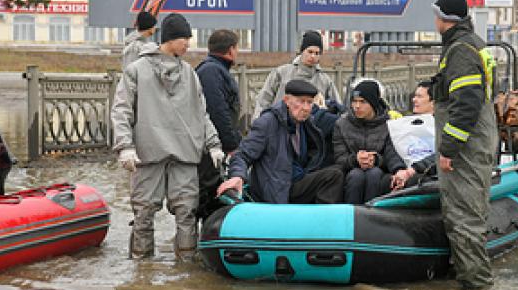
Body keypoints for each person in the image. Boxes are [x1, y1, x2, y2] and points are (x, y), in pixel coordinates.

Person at [111, 13, 224, 260]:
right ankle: (141, 269)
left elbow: (201, 112)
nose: (188, 43)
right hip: (147, 154)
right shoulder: (136, 70)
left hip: (184, 154)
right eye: (184, 38)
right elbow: (121, 110)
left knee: (187, 213)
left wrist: (213, 144)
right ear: (169, 38)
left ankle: (186, 268)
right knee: (143, 212)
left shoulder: (189, 74)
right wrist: (125, 147)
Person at [431, 0, 498, 290]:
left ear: (445, 19)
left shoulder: (460, 50)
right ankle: (471, 281)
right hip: (478, 144)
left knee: (464, 219)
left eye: (436, 15)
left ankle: (477, 288)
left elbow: (467, 102)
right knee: (469, 215)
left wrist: (448, 149)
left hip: (466, 151)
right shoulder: (473, 45)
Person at [218, 80, 344, 204]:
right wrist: (237, 176)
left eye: (309, 102)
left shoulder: (306, 123)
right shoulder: (267, 123)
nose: (305, 108)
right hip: (275, 188)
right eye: (301, 101)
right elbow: (242, 154)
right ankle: (321, 222)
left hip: (294, 179)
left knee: (339, 169)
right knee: (333, 176)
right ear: (287, 101)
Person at [333, 80, 407, 204]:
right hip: (349, 170)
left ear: (373, 103)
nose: (357, 106)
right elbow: (339, 157)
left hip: (379, 171)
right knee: (356, 175)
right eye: (354, 101)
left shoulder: (388, 124)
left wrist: (376, 160)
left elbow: (392, 154)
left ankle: (372, 216)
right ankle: (352, 215)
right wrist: (355, 159)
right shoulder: (341, 124)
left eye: (362, 102)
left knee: (374, 173)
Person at [195, 30, 242, 221]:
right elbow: (217, 111)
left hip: (215, 144)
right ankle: (200, 240)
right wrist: (231, 144)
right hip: (209, 146)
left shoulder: (213, 69)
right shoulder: (211, 71)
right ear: (231, 50)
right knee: (207, 191)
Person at [252, 31, 341, 121]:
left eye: (317, 53)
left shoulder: (325, 80)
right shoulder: (281, 73)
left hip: (312, 129)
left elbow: (337, 107)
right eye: (310, 52)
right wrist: (258, 123)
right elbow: (263, 100)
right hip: (279, 125)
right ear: (302, 51)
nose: (313, 56)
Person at [0, 131, 17, 196]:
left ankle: (1, 199)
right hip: (5, 164)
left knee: (0, 184)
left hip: (4, 166)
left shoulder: (1, 147)